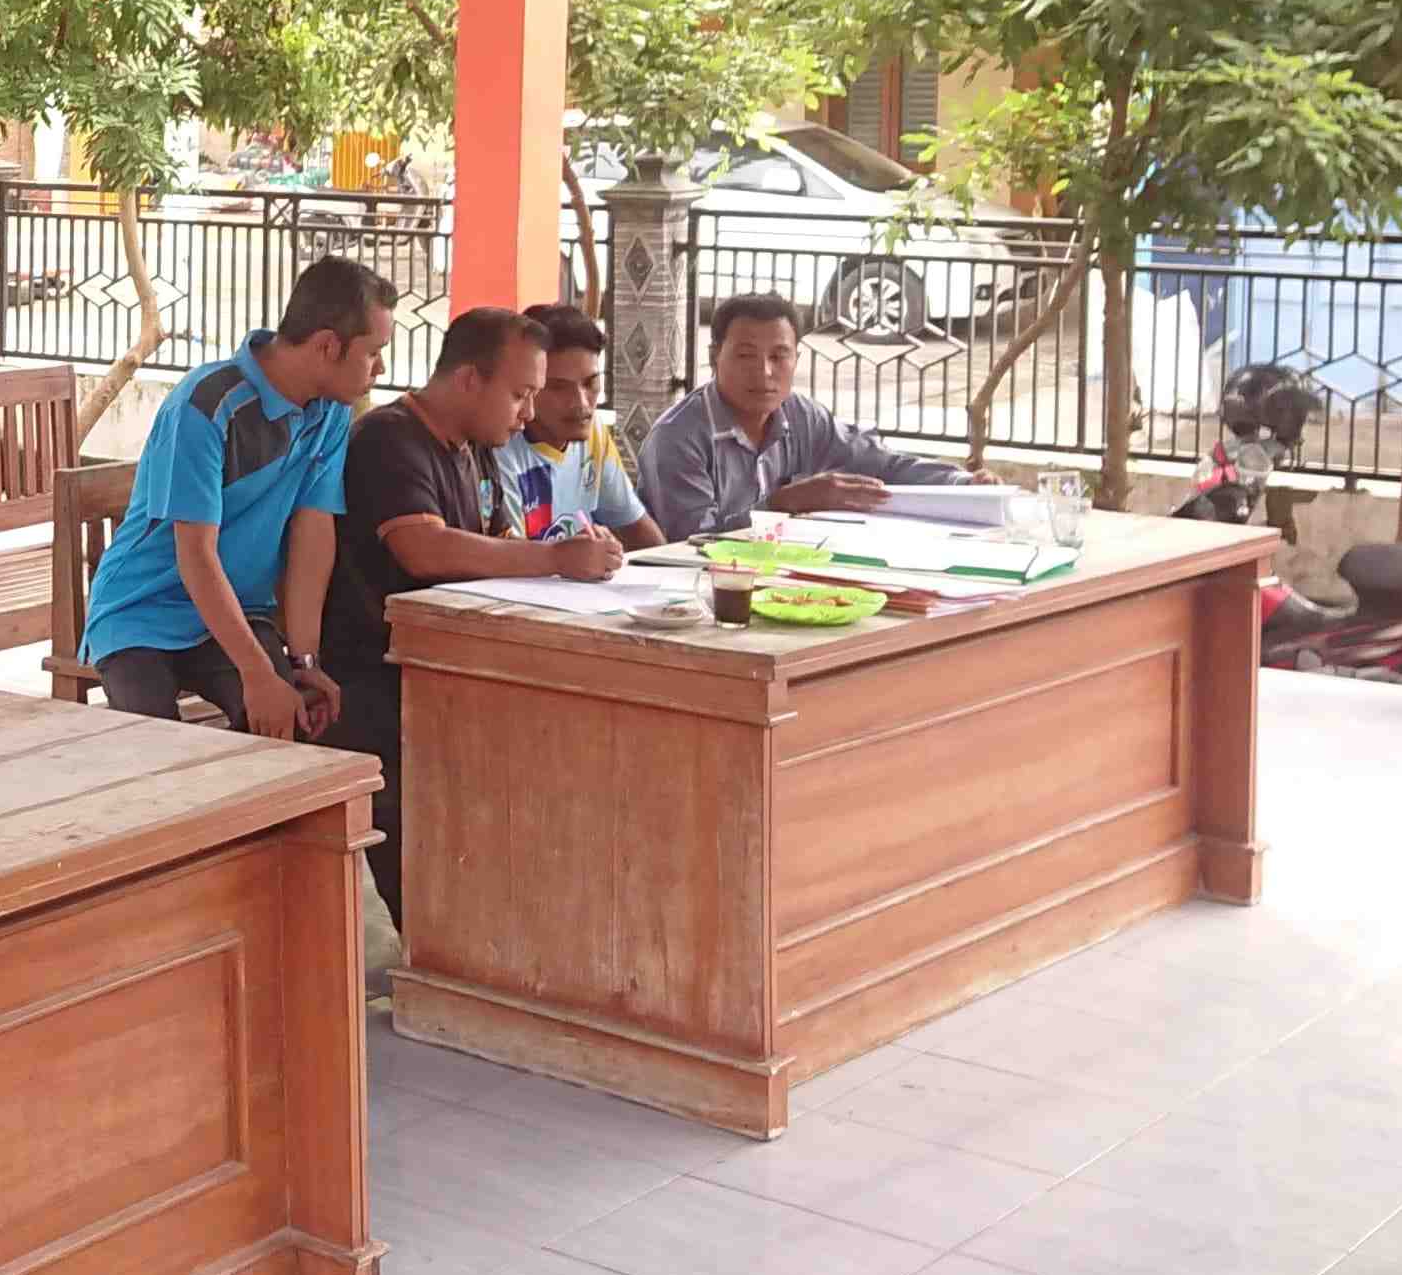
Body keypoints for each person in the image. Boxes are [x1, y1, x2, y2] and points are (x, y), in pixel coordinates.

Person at [314, 306, 615, 926]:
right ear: (470, 380)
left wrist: (571, 551)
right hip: (371, 675)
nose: (527, 414)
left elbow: (495, 541)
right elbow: (423, 549)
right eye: (520, 394)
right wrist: (554, 559)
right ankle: (436, 947)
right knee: (430, 819)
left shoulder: (473, 447)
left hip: (445, 665)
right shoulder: (388, 439)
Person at [77, 256, 395, 744]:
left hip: (240, 613)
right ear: (328, 346)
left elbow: (313, 534)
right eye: (373, 353)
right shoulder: (205, 405)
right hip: (141, 612)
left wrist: (302, 661)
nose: (381, 368)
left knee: (292, 726)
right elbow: (196, 555)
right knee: (154, 747)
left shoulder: (331, 412)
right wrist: (258, 674)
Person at [633, 291, 968, 539]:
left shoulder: (801, 415)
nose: (764, 372)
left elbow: (881, 465)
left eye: (779, 356)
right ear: (714, 357)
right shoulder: (677, 438)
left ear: (797, 359)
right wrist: (782, 505)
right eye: (746, 356)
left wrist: (961, 483)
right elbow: (691, 544)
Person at [496, 303, 668, 553]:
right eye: (558, 387)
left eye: (590, 383)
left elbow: (635, 528)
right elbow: (510, 560)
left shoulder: (594, 430)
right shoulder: (499, 445)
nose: (581, 403)